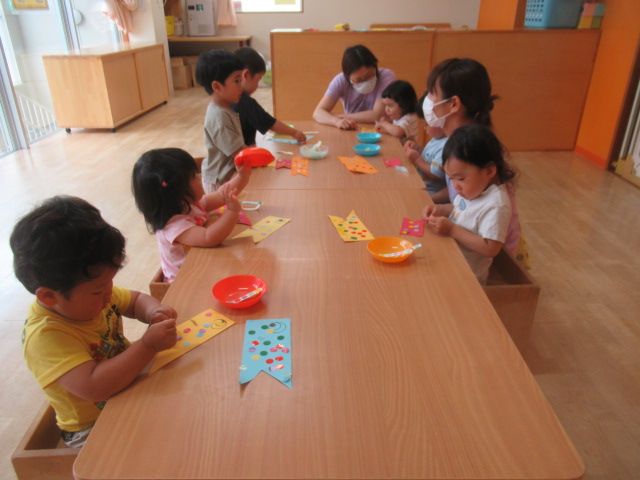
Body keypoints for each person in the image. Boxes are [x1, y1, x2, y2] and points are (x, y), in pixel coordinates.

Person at [10, 196, 178, 447]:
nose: (109, 293)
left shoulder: (92, 296)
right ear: (48, 296)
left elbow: (134, 301)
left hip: (126, 387)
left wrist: (154, 312)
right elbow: (94, 387)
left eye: (110, 282)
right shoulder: (46, 337)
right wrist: (148, 345)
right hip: (92, 428)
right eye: (99, 290)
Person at [132, 147, 251, 283]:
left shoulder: (189, 204)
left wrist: (242, 176)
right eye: (194, 177)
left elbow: (221, 195)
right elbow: (208, 238)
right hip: (185, 281)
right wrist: (232, 211)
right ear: (178, 192)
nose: (199, 179)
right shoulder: (174, 226)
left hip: (202, 263)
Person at [422, 125, 518, 284]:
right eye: (451, 179)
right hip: (451, 261)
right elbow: (461, 209)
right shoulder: (473, 189)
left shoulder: (496, 205)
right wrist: (440, 209)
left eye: (460, 179)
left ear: (489, 171)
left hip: (467, 278)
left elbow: (490, 248)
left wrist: (452, 229)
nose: (455, 186)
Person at [421, 57, 498, 204]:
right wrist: (428, 200)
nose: (427, 98)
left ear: (454, 104)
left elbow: (471, 209)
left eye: (432, 92)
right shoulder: (455, 139)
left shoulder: (471, 148)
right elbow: (456, 194)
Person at [195, 49, 247, 193]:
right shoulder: (219, 117)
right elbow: (239, 154)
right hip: (219, 181)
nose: (241, 86)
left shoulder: (224, 110)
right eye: (237, 81)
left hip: (226, 177)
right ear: (217, 86)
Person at [232, 47, 306, 146]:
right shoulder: (246, 103)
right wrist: (294, 132)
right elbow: (270, 123)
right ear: (246, 75)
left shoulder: (226, 99)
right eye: (258, 79)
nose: (257, 85)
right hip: (244, 153)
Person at [312, 45, 396, 130]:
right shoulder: (341, 80)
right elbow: (318, 113)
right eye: (359, 80)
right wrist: (336, 121)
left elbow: (377, 115)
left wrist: (339, 116)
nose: (365, 82)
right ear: (348, 76)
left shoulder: (386, 76)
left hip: (381, 130)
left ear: (375, 67)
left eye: (369, 76)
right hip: (352, 129)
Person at [404, 92, 448, 194]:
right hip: (420, 183)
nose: (424, 128)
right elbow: (431, 157)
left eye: (426, 124)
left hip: (430, 191)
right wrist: (418, 148)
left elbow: (435, 174)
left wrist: (417, 159)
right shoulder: (437, 138)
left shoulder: (445, 145)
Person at [375, 80, 419, 144]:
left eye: (390, 105)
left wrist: (384, 123)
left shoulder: (409, 118)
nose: (386, 109)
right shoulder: (399, 116)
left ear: (403, 105)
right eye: (385, 105)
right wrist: (387, 121)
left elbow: (398, 132)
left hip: (407, 149)